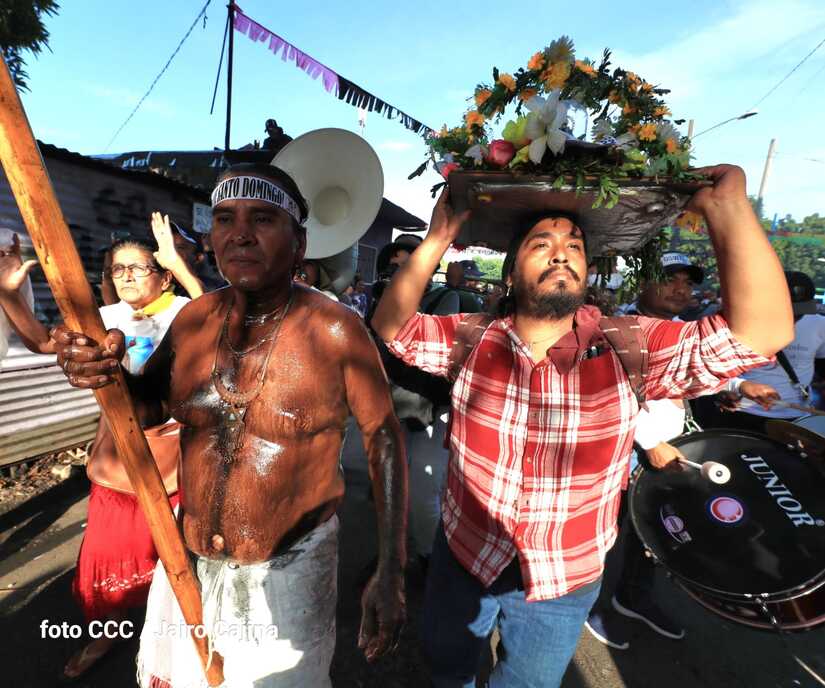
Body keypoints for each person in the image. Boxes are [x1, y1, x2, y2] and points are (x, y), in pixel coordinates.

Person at [371, 164, 793, 688]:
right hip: (465, 554)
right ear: (509, 275)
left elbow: (763, 332)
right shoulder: (472, 338)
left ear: (588, 272)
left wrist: (727, 208)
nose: (560, 254)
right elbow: (391, 326)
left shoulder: (631, 345)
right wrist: (438, 238)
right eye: (541, 244)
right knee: (448, 669)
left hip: (564, 578)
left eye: (574, 246)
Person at [53, 162, 407, 688]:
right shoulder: (194, 321)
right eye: (225, 219)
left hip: (290, 568)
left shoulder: (336, 331)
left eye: (262, 219)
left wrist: (391, 568)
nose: (240, 233)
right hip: (187, 556)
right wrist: (105, 372)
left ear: (299, 243)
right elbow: (147, 409)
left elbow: (383, 439)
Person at [0, 226, 202, 678]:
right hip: (116, 462)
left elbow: (224, 319)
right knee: (107, 558)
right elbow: (43, 342)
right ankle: (106, 633)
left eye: (138, 267)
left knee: (178, 564)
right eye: (118, 269)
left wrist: (181, 267)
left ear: (164, 276)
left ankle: (179, 639)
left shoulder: (187, 311)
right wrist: (9, 294)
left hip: (176, 463)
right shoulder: (105, 316)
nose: (126, 276)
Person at [586, 252, 705, 649]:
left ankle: (634, 597)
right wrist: (650, 442)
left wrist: (738, 388)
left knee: (654, 533)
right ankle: (586, 605)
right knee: (602, 535)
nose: (681, 289)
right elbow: (603, 393)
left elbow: (701, 375)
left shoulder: (686, 331)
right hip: (623, 451)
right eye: (671, 279)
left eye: (688, 282)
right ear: (642, 283)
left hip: (670, 450)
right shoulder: (614, 329)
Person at [696, 271, 825, 434]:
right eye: (785, 310)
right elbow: (708, 366)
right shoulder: (735, 321)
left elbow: (822, 366)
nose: (793, 318)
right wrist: (724, 389)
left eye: (799, 312)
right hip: (739, 412)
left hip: (795, 416)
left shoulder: (820, 325)